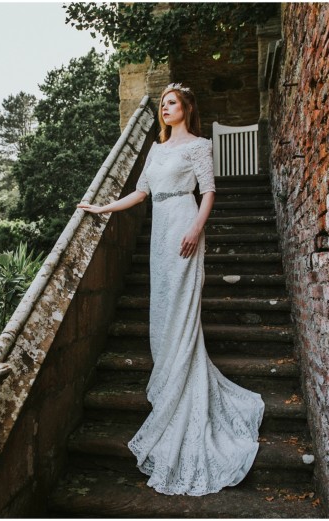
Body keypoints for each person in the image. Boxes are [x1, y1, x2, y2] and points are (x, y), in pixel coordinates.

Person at [77, 83, 265, 496]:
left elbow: (209, 191)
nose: (165, 108)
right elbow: (141, 193)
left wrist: (196, 229)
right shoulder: (156, 150)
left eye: (172, 103)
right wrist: (101, 208)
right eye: (162, 104)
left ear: (187, 108)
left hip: (184, 222)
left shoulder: (199, 146)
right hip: (160, 230)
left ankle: (185, 393)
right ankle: (170, 383)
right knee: (162, 312)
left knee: (182, 310)